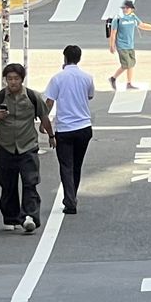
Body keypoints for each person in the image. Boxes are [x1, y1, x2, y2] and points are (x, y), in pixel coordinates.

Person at [0, 63, 52, 234]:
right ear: (5, 80)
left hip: (28, 146)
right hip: (6, 147)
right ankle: (10, 217)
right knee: (7, 184)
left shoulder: (32, 96)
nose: (13, 82)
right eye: (9, 79)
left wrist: (51, 135)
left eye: (16, 78)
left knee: (30, 182)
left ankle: (29, 217)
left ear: (22, 79)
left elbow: (44, 116)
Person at [44, 44, 96, 215]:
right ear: (79, 58)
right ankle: (72, 196)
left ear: (65, 58)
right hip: (84, 127)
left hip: (65, 129)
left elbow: (49, 102)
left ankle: (70, 200)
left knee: (66, 165)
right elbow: (90, 95)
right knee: (77, 165)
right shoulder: (87, 77)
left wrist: (44, 122)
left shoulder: (58, 78)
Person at [106, 0, 151, 91]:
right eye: (124, 8)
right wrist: (111, 45)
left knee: (131, 64)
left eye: (127, 8)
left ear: (131, 9)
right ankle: (113, 78)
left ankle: (129, 83)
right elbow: (113, 33)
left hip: (130, 45)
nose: (125, 9)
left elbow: (142, 25)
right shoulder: (118, 18)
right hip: (121, 45)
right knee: (126, 64)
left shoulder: (133, 17)